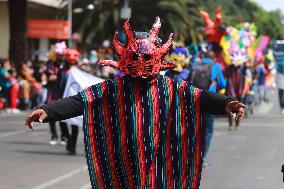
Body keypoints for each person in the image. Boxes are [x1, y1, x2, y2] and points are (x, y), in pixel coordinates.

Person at [26, 17, 245, 188]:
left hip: (162, 165)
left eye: (147, 58)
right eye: (136, 58)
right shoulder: (111, 89)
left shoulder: (173, 88)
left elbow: (202, 97)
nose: (141, 64)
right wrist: (47, 111)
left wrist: (228, 103)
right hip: (123, 165)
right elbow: (79, 101)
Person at [188, 50, 227, 167]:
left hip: (194, 99)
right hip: (209, 100)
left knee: (193, 129)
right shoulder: (216, 66)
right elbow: (223, 83)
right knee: (208, 131)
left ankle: (190, 156)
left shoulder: (195, 65)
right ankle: (201, 159)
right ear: (214, 58)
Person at [45, 42, 69, 146]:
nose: (60, 56)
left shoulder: (67, 64)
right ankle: (54, 135)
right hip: (52, 92)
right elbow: (50, 77)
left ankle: (64, 136)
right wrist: (58, 75)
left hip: (63, 93)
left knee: (63, 115)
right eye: (59, 54)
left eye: (62, 54)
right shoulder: (51, 64)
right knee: (50, 115)